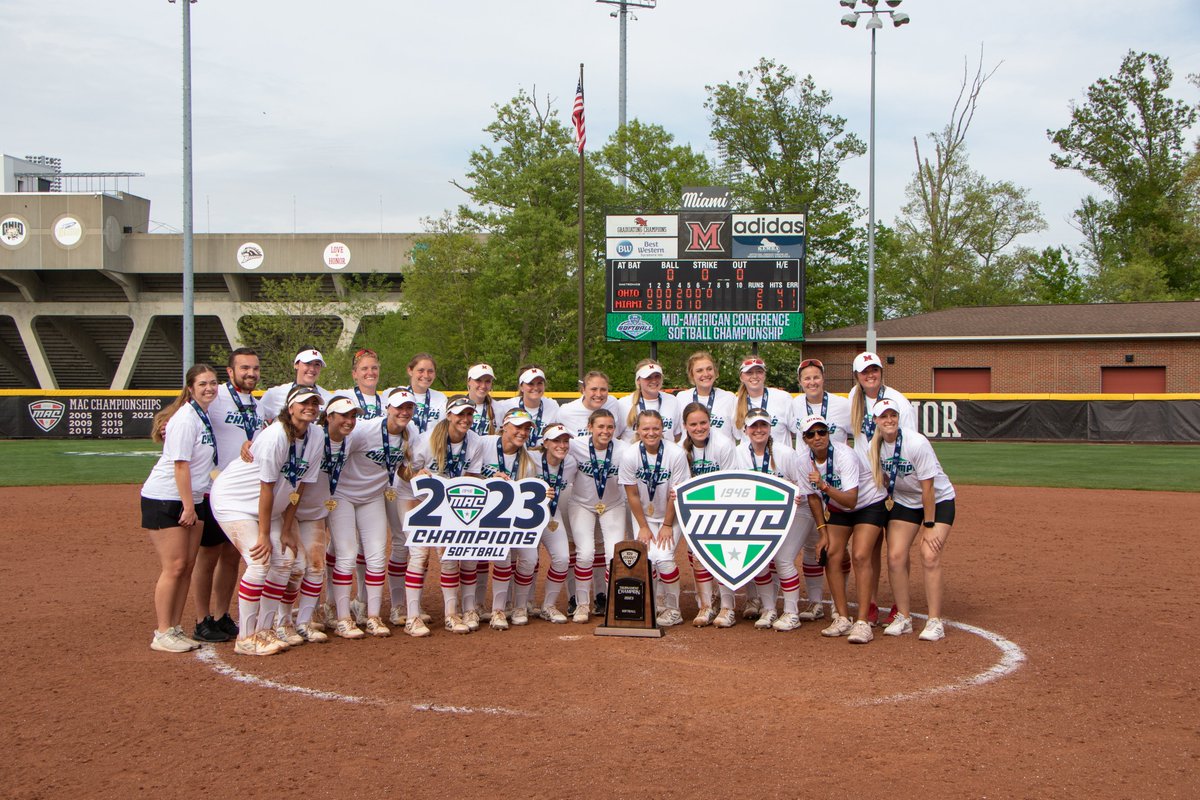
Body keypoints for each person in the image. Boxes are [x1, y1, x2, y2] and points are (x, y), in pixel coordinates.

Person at [209, 384, 324, 656]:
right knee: (260, 561)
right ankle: (246, 637)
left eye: (314, 404)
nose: (309, 408)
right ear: (290, 407)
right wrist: (263, 535)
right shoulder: (276, 436)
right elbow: (266, 488)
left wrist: (287, 529)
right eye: (303, 403)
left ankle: (265, 629)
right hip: (235, 502)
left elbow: (301, 487)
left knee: (284, 559)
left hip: (270, 508)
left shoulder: (315, 435)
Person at [140, 364, 220, 653]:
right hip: (167, 498)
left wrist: (194, 503)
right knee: (173, 567)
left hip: (192, 498)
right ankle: (162, 631)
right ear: (190, 388)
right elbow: (180, 465)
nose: (209, 388)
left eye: (213, 383)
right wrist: (188, 506)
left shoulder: (202, 415)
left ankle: (174, 627)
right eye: (203, 384)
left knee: (186, 567)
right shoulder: (186, 418)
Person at [327, 388, 417, 639]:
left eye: (409, 408)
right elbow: (332, 455)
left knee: (377, 555)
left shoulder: (412, 433)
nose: (404, 412)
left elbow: (401, 468)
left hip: (373, 496)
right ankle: (343, 617)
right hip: (342, 495)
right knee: (345, 554)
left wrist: (416, 476)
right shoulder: (363, 429)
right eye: (399, 407)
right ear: (388, 408)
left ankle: (373, 616)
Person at [191, 348, 264, 644]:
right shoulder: (216, 395)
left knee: (231, 557)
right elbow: (188, 412)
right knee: (207, 555)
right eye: (244, 368)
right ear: (230, 371)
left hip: (241, 492)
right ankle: (201, 618)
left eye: (255, 368)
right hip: (213, 489)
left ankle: (221, 615)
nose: (251, 373)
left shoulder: (257, 405)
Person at [868, 398, 956, 641]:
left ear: (898, 417)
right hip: (905, 501)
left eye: (892, 415)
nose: (889, 420)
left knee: (929, 553)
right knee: (895, 556)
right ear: (875, 421)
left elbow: (928, 488)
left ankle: (935, 621)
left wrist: (928, 526)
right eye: (883, 416)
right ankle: (904, 617)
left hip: (938, 501)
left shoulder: (916, 443)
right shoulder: (875, 446)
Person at [277, 396, 361, 645]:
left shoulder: (354, 438)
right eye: (343, 415)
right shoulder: (312, 436)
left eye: (353, 416)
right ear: (329, 417)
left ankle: (304, 622)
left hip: (316, 511)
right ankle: (281, 621)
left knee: (315, 566)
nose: (349, 421)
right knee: (293, 566)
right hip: (289, 509)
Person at [804, 414, 888, 645]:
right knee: (831, 554)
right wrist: (822, 532)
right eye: (811, 434)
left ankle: (862, 622)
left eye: (822, 432)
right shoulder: (803, 459)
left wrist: (823, 485)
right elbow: (812, 497)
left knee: (861, 556)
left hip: (868, 504)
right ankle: (842, 617)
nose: (817, 437)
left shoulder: (844, 455)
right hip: (839, 509)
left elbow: (851, 499)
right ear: (804, 439)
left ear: (828, 434)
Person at [848, 350, 918, 626]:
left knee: (897, 549)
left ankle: (900, 606)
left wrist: (896, 476)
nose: (870, 375)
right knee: (872, 546)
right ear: (857, 376)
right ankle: (873, 601)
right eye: (865, 372)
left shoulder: (898, 401)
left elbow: (910, 440)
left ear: (880, 371)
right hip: (868, 484)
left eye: (874, 370)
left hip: (896, 482)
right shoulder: (854, 399)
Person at [731, 408, 815, 632]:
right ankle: (769, 609)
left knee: (783, 558)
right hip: (760, 514)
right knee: (757, 558)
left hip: (797, 512)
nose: (759, 430)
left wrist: (795, 495)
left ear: (770, 428)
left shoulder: (785, 453)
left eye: (763, 426)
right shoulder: (737, 453)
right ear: (745, 429)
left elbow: (804, 487)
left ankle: (791, 612)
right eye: (754, 426)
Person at [406, 395, 479, 636]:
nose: (465, 419)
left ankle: (451, 614)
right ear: (449, 415)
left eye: (469, 414)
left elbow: (471, 477)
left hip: (450, 503)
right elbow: (405, 471)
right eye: (460, 414)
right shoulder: (427, 440)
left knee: (449, 556)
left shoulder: (474, 441)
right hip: (416, 499)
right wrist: (416, 474)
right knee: (420, 554)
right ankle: (412, 617)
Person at [787, 357, 850, 620]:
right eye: (806, 378)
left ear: (823, 378)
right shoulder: (794, 405)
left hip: (835, 482)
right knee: (813, 545)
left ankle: (839, 601)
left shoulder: (842, 405)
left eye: (816, 377)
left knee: (838, 546)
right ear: (800, 382)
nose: (812, 382)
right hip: (807, 482)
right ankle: (815, 602)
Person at [469, 408, 539, 630]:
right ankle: (483, 608)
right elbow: (467, 474)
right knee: (485, 558)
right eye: (518, 427)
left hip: (511, 518)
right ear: (504, 426)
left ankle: (517, 606)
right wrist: (489, 479)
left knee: (529, 558)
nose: (523, 432)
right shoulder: (484, 443)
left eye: (527, 428)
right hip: (478, 513)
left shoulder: (527, 462)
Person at [619, 410, 690, 627]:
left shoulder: (675, 453)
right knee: (648, 558)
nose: (651, 433)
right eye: (646, 428)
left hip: (671, 513)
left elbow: (675, 494)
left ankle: (674, 609)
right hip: (644, 515)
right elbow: (632, 494)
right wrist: (643, 526)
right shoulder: (631, 454)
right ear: (638, 430)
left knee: (665, 558)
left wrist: (667, 524)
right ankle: (657, 601)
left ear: (662, 429)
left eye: (656, 428)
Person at [676, 402, 737, 627]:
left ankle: (728, 607)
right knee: (698, 558)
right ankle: (706, 605)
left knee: (720, 556)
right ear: (685, 426)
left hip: (722, 507)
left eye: (703, 422)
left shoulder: (723, 445)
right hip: (693, 510)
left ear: (710, 422)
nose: (699, 427)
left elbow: (731, 482)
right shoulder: (680, 449)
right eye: (693, 424)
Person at [565, 409, 629, 624]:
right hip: (582, 504)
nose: (605, 431)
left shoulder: (623, 449)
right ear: (590, 427)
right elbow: (550, 452)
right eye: (600, 426)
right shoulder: (576, 444)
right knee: (585, 553)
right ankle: (582, 604)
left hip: (612, 505)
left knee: (613, 554)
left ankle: (611, 602)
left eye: (610, 427)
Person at [533, 423, 578, 623]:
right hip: (528, 515)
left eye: (565, 441)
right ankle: (519, 606)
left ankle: (548, 606)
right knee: (526, 562)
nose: (562, 445)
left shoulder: (570, 463)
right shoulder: (529, 458)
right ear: (545, 442)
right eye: (556, 440)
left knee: (562, 558)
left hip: (552, 513)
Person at [259, 347, 333, 423]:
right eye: (307, 363)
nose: (312, 369)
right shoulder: (275, 394)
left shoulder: (328, 398)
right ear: (296, 364)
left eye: (317, 364)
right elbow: (257, 419)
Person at [731, 356, 793, 447]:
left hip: (779, 460)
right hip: (749, 460)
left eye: (759, 372)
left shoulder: (783, 398)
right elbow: (737, 435)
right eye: (749, 372)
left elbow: (796, 430)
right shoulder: (736, 402)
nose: (755, 376)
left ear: (764, 375)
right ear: (741, 377)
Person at [496, 366, 560, 449]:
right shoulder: (506, 406)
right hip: (515, 456)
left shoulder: (553, 405)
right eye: (530, 383)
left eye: (540, 383)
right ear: (521, 387)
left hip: (541, 458)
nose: (536, 388)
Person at [678, 351, 737, 440]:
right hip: (691, 453)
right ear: (692, 375)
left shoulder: (729, 398)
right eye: (699, 371)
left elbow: (738, 434)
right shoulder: (681, 398)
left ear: (715, 371)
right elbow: (677, 434)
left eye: (709, 369)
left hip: (722, 453)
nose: (706, 374)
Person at [618, 360, 680, 443]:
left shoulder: (672, 401)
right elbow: (615, 436)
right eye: (648, 377)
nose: (654, 380)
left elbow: (677, 436)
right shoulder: (623, 403)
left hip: (665, 455)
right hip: (634, 455)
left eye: (657, 376)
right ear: (638, 380)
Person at [558, 370, 623, 440]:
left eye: (603, 389)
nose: (598, 394)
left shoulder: (612, 403)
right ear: (583, 390)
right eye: (594, 389)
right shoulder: (566, 411)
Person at [404, 352, 447, 436]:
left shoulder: (441, 398)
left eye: (430, 371)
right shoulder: (398, 394)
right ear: (410, 371)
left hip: (430, 447)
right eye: (421, 370)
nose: (426, 375)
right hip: (404, 447)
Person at [336, 348, 386, 420]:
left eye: (374, 368)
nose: (370, 372)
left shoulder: (388, 400)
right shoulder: (343, 396)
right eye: (364, 368)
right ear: (354, 374)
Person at [466, 363, 500, 437]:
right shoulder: (457, 406)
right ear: (468, 381)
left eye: (487, 381)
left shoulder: (498, 408)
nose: (483, 386)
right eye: (478, 380)